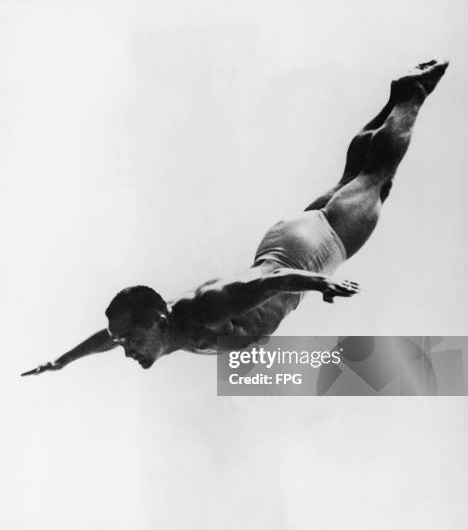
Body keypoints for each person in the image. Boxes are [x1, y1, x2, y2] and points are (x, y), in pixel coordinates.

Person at [21, 60, 448, 376]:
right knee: (355, 181)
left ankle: (411, 95)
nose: (126, 350)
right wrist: (62, 360)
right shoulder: (165, 325)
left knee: (375, 179)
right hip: (288, 242)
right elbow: (105, 340)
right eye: (123, 341)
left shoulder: (202, 309)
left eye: (130, 339)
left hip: (307, 255)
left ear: (158, 320)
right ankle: (397, 97)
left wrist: (321, 283)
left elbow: (270, 282)